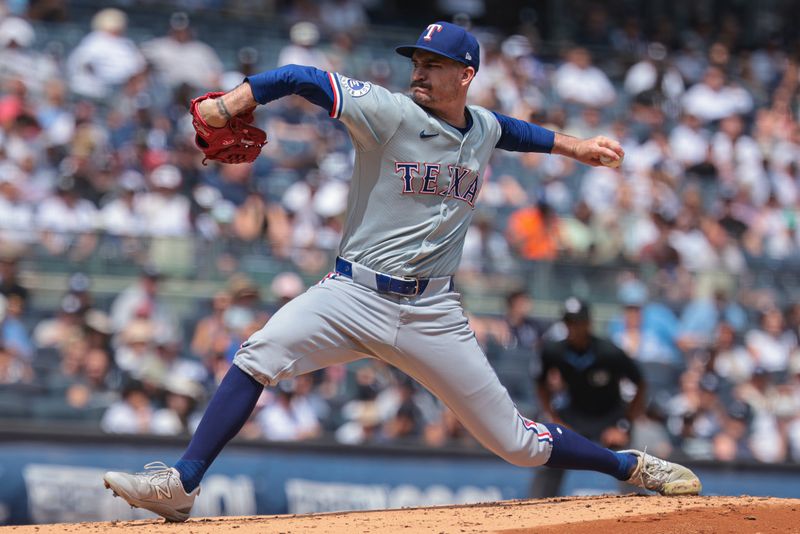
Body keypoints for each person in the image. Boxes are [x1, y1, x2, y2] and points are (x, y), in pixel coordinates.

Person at [103, 21, 700, 522]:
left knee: (517, 446)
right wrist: (237, 101)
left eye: (435, 63)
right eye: (417, 58)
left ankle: (632, 466)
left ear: (465, 75)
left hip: (431, 311)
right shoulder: (387, 112)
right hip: (351, 293)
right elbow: (301, 77)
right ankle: (182, 485)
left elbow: (514, 132)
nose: (420, 69)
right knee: (259, 353)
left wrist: (574, 147)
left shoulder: (482, 127)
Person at [531, 298, 647, 497]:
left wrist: (624, 424)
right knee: (549, 451)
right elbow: (541, 385)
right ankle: (535, 510)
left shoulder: (608, 351)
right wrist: (555, 419)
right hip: (574, 416)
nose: (573, 327)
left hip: (609, 417)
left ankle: (642, 511)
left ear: (588, 323)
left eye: (578, 322)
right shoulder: (554, 351)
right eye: (569, 322)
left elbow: (641, 384)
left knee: (631, 465)